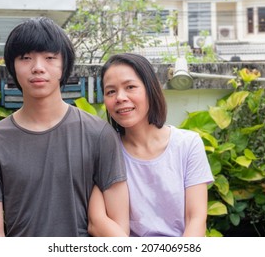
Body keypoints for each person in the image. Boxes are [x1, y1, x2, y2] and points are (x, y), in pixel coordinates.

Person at [0, 17, 129, 237]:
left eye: (50, 58)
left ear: (64, 66)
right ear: (12, 66)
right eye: (26, 58)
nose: (38, 68)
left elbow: (119, 229)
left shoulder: (98, 134)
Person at [88, 53, 213, 237]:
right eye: (110, 91)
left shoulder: (188, 144)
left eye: (130, 87)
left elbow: (196, 218)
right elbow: (97, 222)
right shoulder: (105, 149)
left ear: (150, 89)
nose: (120, 97)